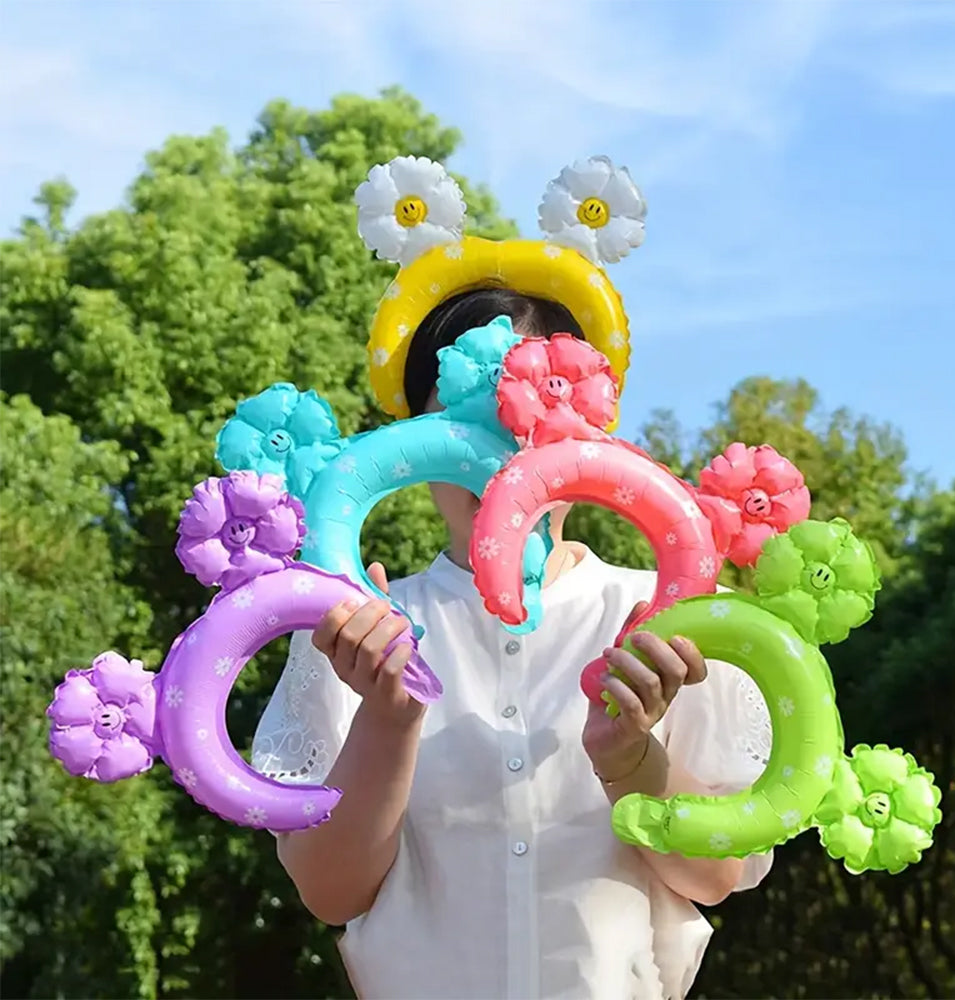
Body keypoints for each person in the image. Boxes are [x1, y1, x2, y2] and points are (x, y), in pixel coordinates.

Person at [252, 287, 774, 1000]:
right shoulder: (353, 624)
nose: (497, 453)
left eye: (528, 413)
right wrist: (387, 719)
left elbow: (713, 876)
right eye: (459, 418)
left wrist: (631, 758)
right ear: (413, 440)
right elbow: (332, 892)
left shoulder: (672, 615)